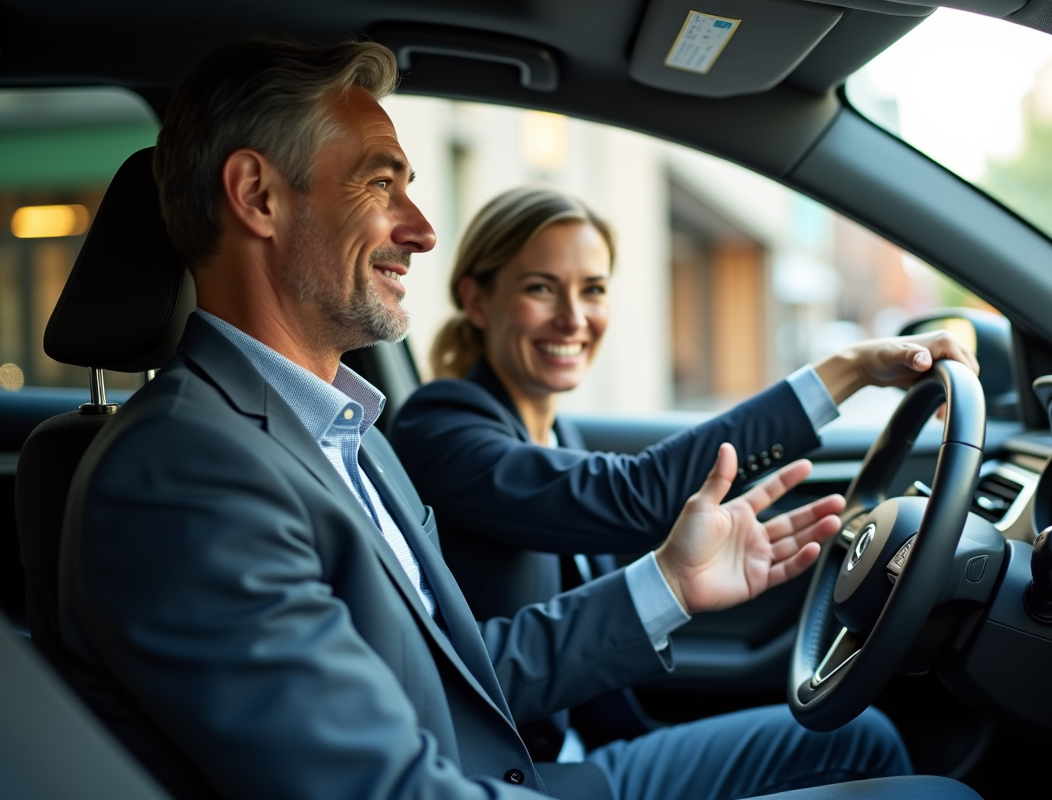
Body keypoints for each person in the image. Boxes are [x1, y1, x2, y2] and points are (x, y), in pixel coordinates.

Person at [56, 36, 928, 800]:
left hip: (518, 769)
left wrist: (670, 584)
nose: (422, 230)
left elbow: (465, 677)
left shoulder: (349, 438)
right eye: (381, 183)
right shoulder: (182, 472)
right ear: (258, 195)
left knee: (869, 744)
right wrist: (846, 373)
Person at [390, 186, 977, 622]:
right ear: (477, 301)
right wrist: (848, 369)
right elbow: (634, 495)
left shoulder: (558, 434)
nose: (573, 317)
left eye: (593, 289)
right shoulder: (438, 426)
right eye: (540, 288)